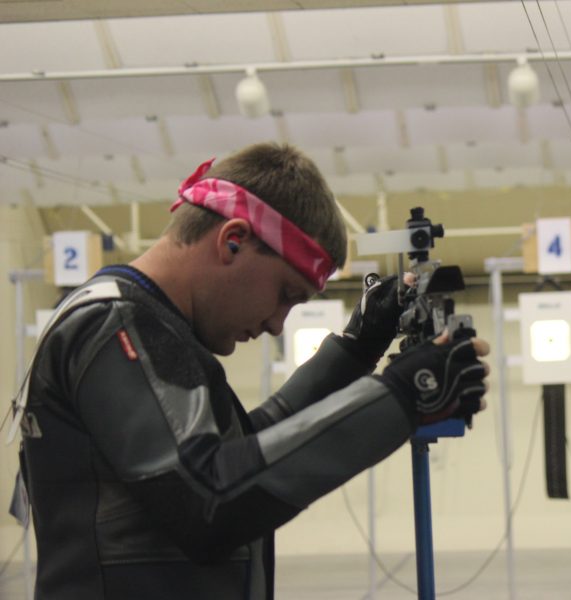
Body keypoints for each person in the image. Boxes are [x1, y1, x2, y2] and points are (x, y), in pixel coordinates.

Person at [17, 142, 489, 600]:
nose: (277, 324)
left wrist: (355, 350)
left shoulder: (152, 327)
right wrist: (401, 396)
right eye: (286, 293)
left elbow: (238, 454)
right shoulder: (113, 325)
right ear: (234, 240)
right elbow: (208, 499)